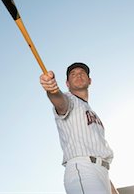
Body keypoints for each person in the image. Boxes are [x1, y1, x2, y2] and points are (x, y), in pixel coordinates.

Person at [40, 62, 118, 194]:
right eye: (73, 74)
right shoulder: (69, 99)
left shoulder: (93, 114)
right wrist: (52, 89)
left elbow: (99, 155)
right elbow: (60, 101)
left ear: (90, 80)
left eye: (82, 73)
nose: (78, 75)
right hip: (82, 168)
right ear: (67, 84)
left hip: (103, 172)